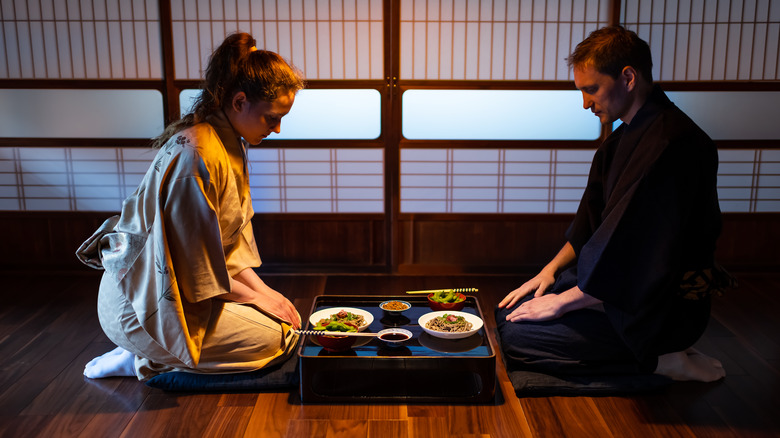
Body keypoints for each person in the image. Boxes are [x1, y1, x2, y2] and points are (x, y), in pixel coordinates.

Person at [496, 26, 732, 382]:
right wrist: (549, 272)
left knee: (517, 338)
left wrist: (562, 301)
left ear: (628, 77)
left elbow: (643, 257)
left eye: (591, 89)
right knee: (511, 312)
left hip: (661, 308)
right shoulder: (623, 137)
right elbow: (591, 223)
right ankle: (662, 352)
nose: (586, 103)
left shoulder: (674, 145)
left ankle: (660, 358)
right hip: (619, 289)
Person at [76, 32, 305, 380]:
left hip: (179, 293)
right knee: (276, 337)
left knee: (284, 318)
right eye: (271, 117)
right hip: (140, 304)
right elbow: (191, 267)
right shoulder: (197, 156)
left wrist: (267, 295)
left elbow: (229, 249)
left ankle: (147, 351)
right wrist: (259, 301)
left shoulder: (227, 141)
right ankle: (140, 355)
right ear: (240, 101)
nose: (276, 129)